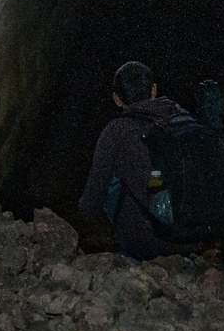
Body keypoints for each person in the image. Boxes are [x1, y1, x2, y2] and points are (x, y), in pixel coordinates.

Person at [78, 60, 187, 261]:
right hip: (192, 236)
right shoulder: (182, 120)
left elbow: (90, 205)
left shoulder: (116, 132)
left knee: (114, 182)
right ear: (154, 91)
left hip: (147, 242)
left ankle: (132, 257)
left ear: (117, 100)